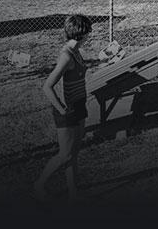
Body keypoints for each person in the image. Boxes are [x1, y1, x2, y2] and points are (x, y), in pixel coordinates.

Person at [33, 14, 93, 203]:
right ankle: (39, 185)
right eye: (89, 32)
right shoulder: (66, 56)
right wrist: (61, 109)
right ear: (83, 34)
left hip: (79, 105)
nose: (90, 35)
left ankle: (73, 192)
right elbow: (47, 86)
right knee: (65, 154)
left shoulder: (76, 50)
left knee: (73, 152)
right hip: (67, 110)